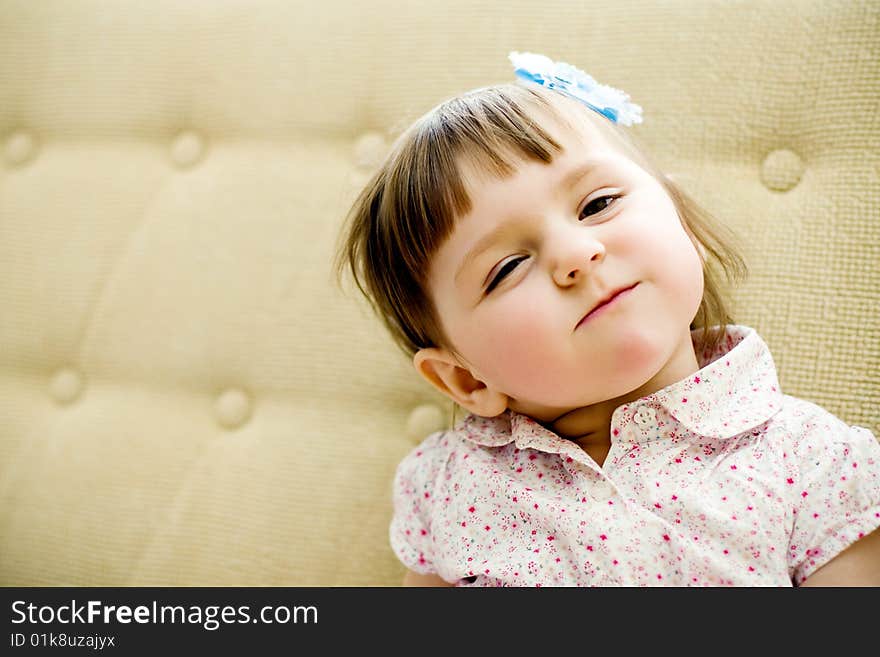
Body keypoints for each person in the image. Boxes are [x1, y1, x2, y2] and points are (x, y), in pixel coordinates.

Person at [335, 52, 880, 586]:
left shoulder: (816, 464)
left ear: (682, 224)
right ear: (467, 379)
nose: (575, 254)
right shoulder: (448, 484)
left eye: (597, 205)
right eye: (507, 267)